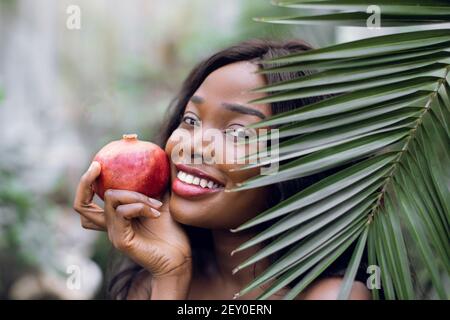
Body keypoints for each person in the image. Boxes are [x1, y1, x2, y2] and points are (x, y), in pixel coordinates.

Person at [73, 39, 371, 300]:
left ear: (297, 162)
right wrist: (170, 276)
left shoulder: (333, 295)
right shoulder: (150, 282)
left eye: (239, 134)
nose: (193, 145)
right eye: (190, 120)